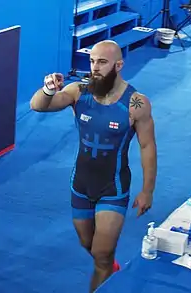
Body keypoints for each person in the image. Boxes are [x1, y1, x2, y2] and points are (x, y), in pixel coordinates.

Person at [30, 40, 157, 292]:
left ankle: (106, 267)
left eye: (102, 62)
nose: (94, 67)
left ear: (118, 65)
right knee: (87, 243)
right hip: (81, 184)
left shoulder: (136, 103)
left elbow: (147, 146)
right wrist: (48, 90)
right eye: (92, 61)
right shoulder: (79, 91)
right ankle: (109, 265)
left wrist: (147, 190)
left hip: (113, 187)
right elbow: (38, 106)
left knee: (101, 256)